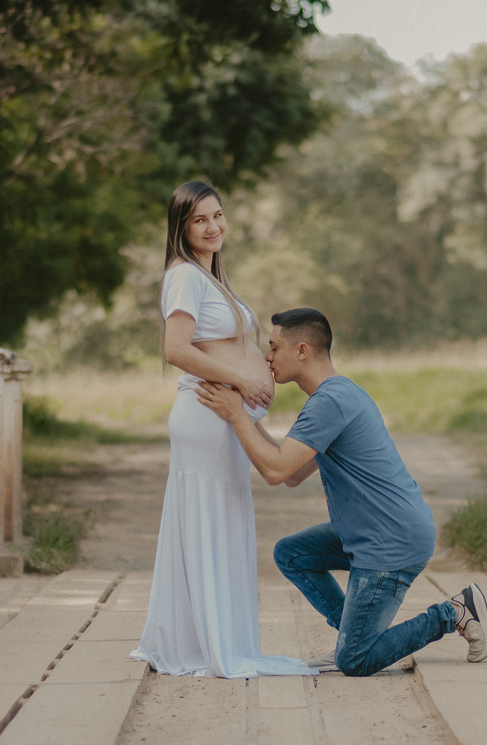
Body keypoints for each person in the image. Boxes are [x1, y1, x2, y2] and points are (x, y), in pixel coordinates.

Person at [196, 308, 487, 677]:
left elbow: (274, 471)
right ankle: (355, 637)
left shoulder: (329, 403)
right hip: (373, 532)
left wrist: (237, 417)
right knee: (292, 554)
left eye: (273, 347)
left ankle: (453, 612)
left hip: (389, 542)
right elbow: (291, 473)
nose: (267, 358)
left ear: (301, 350)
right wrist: (245, 414)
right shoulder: (337, 395)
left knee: (356, 662)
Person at [129, 182, 315, 679]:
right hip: (207, 415)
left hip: (223, 418)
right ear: (182, 227)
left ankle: (217, 638)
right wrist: (238, 382)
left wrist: (253, 384)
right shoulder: (184, 277)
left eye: (217, 215)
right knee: (209, 520)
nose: (213, 227)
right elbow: (176, 349)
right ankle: (207, 645)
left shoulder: (210, 280)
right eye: (199, 220)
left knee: (224, 522)